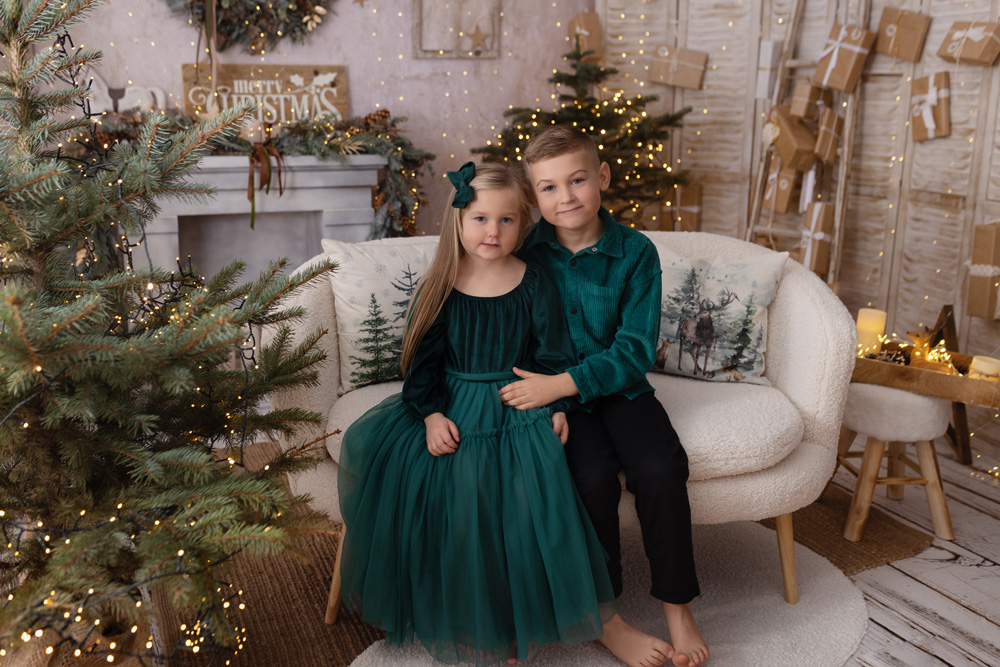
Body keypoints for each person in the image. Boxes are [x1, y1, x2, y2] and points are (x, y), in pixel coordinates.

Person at [337, 161, 619, 666]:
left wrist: (556, 404)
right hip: (452, 401)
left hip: (517, 398)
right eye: (481, 219)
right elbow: (421, 366)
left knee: (530, 490)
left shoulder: (534, 281)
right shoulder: (442, 284)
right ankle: (473, 621)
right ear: (459, 221)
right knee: (462, 484)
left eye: (506, 220)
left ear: (523, 224)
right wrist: (431, 416)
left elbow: (552, 355)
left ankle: (513, 620)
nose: (493, 231)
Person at [499, 124, 710, 667]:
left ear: (603, 177)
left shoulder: (636, 252)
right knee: (589, 479)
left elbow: (635, 349)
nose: (565, 197)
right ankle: (604, 614)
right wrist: (551, 401)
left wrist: (562, 383)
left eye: (577, 180)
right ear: (533, 195)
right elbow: (520, 344)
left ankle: (677, 607)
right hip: (563, 402)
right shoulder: (525, 255)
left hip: (624, 391)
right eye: (548, 187)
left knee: (661, 468)